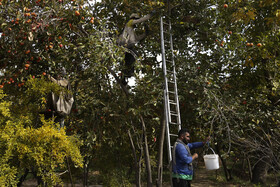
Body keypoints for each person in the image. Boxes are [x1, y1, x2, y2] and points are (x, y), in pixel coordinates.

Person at [117, 11, 156, 85]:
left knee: (126, 62)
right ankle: (130, 72)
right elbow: (140, 20)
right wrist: (150, 15)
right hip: (125, 44)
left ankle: (124, 78)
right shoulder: (130, 22)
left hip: (127, 46)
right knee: (134, 56)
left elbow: (136, 39)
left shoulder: (131, 31)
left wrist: (145, 34)